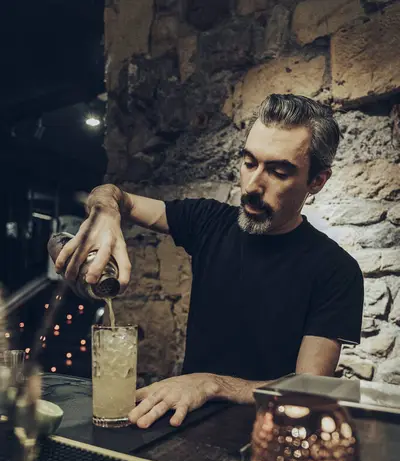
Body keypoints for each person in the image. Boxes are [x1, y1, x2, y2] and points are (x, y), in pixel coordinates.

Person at [54, 93, 364, 429]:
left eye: (277, 171)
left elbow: (309, 393)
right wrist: (106, 210)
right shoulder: (209, 221)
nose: (253, 185)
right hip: (188, 434)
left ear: (317, 181)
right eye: (249, 163)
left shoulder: (336, 270)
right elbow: (116, 196)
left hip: (270, 443)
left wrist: (212, 383)